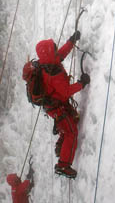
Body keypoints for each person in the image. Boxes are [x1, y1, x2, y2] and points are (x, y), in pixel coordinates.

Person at [35, 31, 90, 178]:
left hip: (56, 104)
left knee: (73, 121)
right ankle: (63, 165)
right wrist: (82, 83)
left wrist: (71, 41)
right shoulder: (52, 73)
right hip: (58, 106)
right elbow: (66, 91)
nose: (56, 49)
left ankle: (61, 143)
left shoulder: (46, 63)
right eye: (53, 48)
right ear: (48, 53)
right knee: (72, 132)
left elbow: (62, 53)